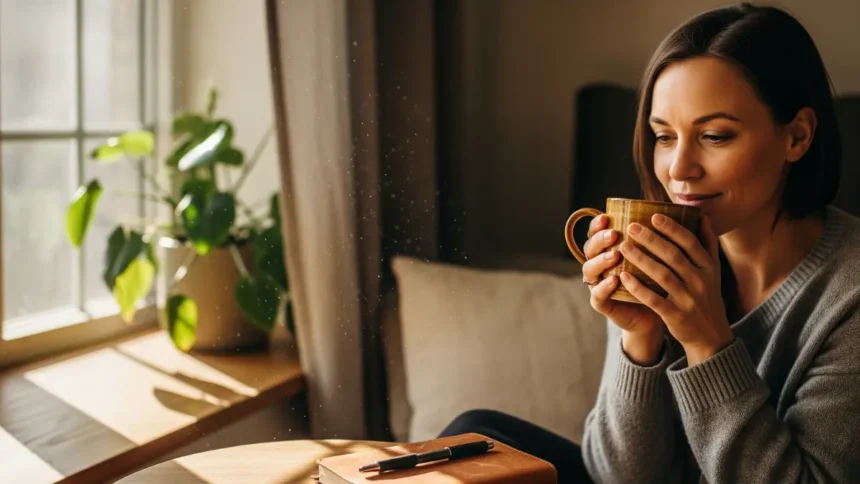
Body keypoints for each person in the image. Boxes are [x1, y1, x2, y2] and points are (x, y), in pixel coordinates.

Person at [438, 3, 860, 483]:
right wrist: (640, 337)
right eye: (663, 136)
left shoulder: (849, 294)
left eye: (715, 136)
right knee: (473, 439)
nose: (678, 170)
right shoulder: (666, 255)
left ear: (798, 136)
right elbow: (620, 477)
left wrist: (707, 342)